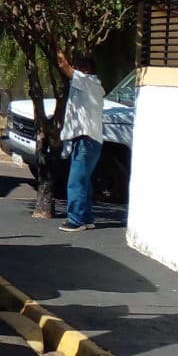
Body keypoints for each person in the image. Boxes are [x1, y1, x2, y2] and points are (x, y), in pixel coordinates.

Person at [57, 50, 105, 233]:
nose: (74, 70)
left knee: (76, 180)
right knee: (84, 181)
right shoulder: (93, 85)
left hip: (86, 140)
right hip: (90, 140)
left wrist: (58, 49)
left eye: (78, 67)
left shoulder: (86, 82)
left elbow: (64, 66)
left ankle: (75, 220)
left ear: (85, 70)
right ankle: (86, 218)